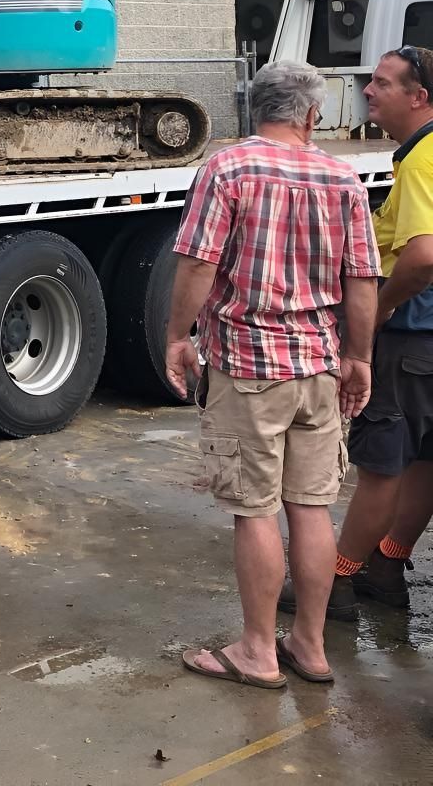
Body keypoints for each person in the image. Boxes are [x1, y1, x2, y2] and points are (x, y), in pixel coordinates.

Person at [166, 59, 378, 689]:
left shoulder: (229, 167)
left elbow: (199, 264)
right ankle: (309, 646)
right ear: (312, 115)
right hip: (319, 365)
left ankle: (258, 651)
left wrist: (180, 336)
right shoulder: (343, 177)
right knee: (311, 508)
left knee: (254, 509)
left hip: (249, 365)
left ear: (254, 109)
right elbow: (361, 281)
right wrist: (359, 357)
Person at [281, 45, 433, 618]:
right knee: (423, 457)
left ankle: (338, 579)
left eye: (383, 83)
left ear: (419, 97)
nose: (368, 91)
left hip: (414, 335)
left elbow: (422, 256)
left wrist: (384, 308)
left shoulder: (421, 161)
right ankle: (388, 564)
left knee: (383, 463)